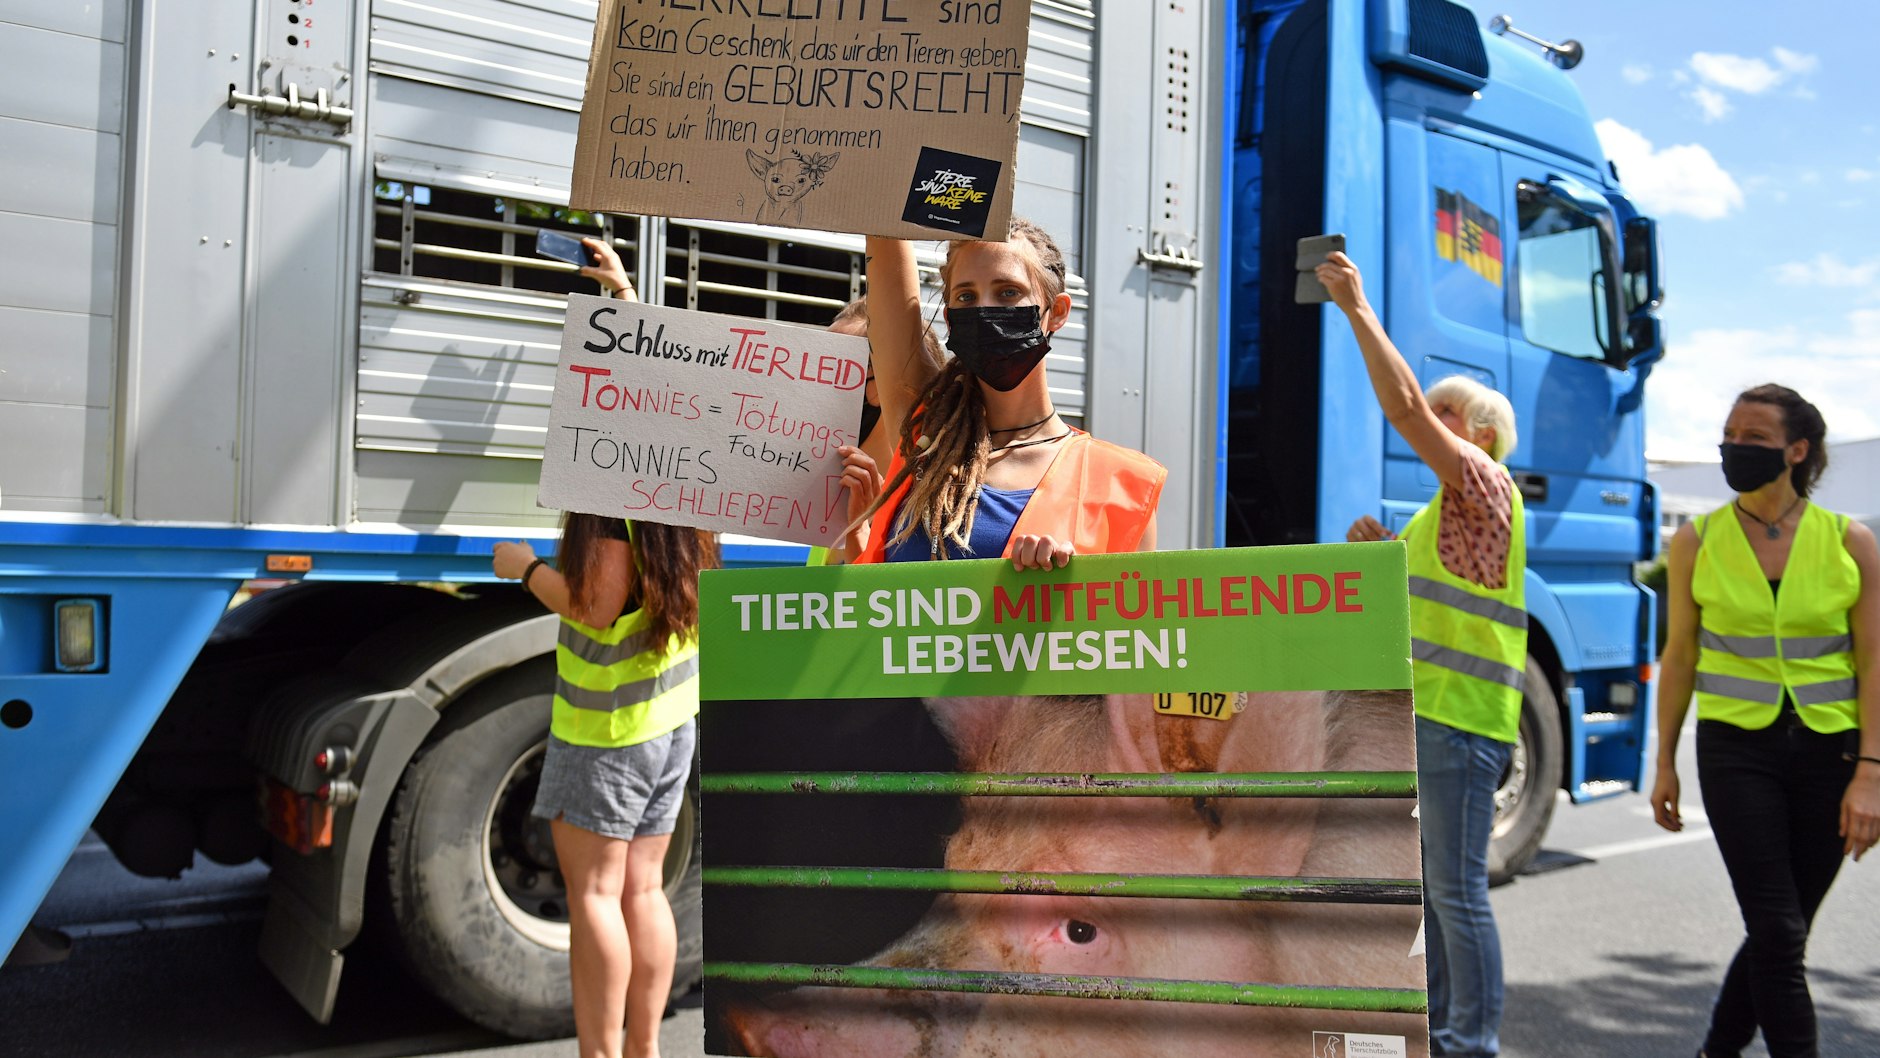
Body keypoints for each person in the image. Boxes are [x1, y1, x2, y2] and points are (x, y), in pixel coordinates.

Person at [494, 247, 724, 1058]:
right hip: (668, 722)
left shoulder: (606, 484)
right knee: (642, 891)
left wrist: (525, 570)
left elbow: (593, 609)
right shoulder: (683, 471)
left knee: (594, 892)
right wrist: (626, 294)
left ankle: (600, 1056)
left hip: (608, 733)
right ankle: (643, 1050)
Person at [1321, 250, 1523, 1058]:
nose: (1423, 427)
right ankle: (1443, 1034)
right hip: (1433, 718)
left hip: (1459, 722)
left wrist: (1359, 309)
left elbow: (1402, 406)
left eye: (1444, 418)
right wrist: (1377, 553)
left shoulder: (1484, 485)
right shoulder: (1441, 514)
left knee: (1457, 893)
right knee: (1439, 894)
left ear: (1477, 435)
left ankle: (1469, 1041)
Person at [1650, 384, 1878, 1058]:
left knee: (1783, 930)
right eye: (1729, 435)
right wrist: (1665, 760)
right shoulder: (1697, 540)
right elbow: (1680, 653)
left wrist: (1871, 771)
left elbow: (1874, 659)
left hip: (1832, 756)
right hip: (1734, 752)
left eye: (1754, 438)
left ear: (1796, 450)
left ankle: (1715, 1051)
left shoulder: (1852, 541)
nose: (1734, 448)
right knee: (1778, 932)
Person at [834, 222, 1165, 567]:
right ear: (949, 318)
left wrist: (1069, 591)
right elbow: (886, 236)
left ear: (1058, 312)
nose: (984, 310)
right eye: (966, 296)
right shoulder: (927, 435)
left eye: (1008, 292)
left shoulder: (1122, 486)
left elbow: (1133, 617)